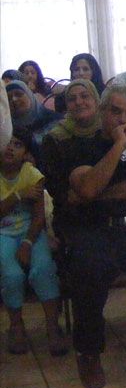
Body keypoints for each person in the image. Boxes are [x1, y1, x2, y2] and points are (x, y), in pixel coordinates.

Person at [43, 84, 126, 388]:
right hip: (96, 229)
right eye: (116, 111)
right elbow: (87, 187)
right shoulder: (79, 148)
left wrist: (97, 195)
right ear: (102, 111)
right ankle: (89, 352)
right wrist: (118, 146)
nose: (123, 119)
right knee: (88, 268)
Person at [1, 126, 68, 356]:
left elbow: (39, 216)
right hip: (3, 233)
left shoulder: (31, 173)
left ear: (27, 153)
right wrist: (18, 195)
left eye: (18, 144)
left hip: (32, 231)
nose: (10, 148)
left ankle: (52, 326)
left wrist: (28, 243)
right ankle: (16, 326)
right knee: (11, 275)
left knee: (43, 270)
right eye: (7, 142)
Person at [6, 80, 62, 162]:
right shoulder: (6, 128)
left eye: (18, 94)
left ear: (29, 95)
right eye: (9, 98)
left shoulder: (54, 120)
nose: (14, 99)